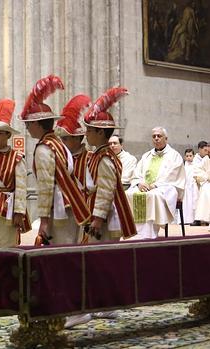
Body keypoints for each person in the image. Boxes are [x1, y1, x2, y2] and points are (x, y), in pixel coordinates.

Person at [66, 87, 137, 329]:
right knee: (100, 261)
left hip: (105, 218)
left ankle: (102, 304)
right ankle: (104, 303)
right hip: (97, 213)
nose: (86, 135)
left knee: (99, 261)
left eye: (89, 131)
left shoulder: (105, 158)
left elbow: (105, 191)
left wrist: (96, 219)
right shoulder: (97, 154)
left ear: (100, 132)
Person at [19, 75, 91, 245]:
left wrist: (43, 220)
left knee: (61, 254)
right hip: (71, 203)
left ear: (37, 124)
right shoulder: (57, 142)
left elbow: (45, 187)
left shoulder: (44, 148)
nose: (27, 128)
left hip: (60, 208)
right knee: (70, 251)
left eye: (28, 124)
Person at [0, 98, 30, 249]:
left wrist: (19, 212)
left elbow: (21, 187)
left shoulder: (17, 158)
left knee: (8, 248)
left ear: (8, 135)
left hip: (8, 209)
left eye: (0, 133)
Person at [126, 127, 185, 239]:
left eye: (159, 136)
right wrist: (139, 183)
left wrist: (155, 185)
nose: (156, 138)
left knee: (153, 196)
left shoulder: (174, 155)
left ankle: (149, 233)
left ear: (166, 138)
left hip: (166, 187)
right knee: (128, 194)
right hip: (145, 186)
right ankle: (133, 232)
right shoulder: (146, 156)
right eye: (154, 136)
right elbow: (137, 173)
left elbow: (173, 175)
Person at [181, 149, 198, 225]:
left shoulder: (196, 165)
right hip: (186, 187)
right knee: (185, 204)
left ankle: (193, 219)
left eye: (190, 156)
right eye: (187, 156)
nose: (188, 157)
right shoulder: (183, 166)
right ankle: (184, 220)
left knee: (193, 203)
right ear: (185, 157)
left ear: (193, 156)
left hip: (193, 187)